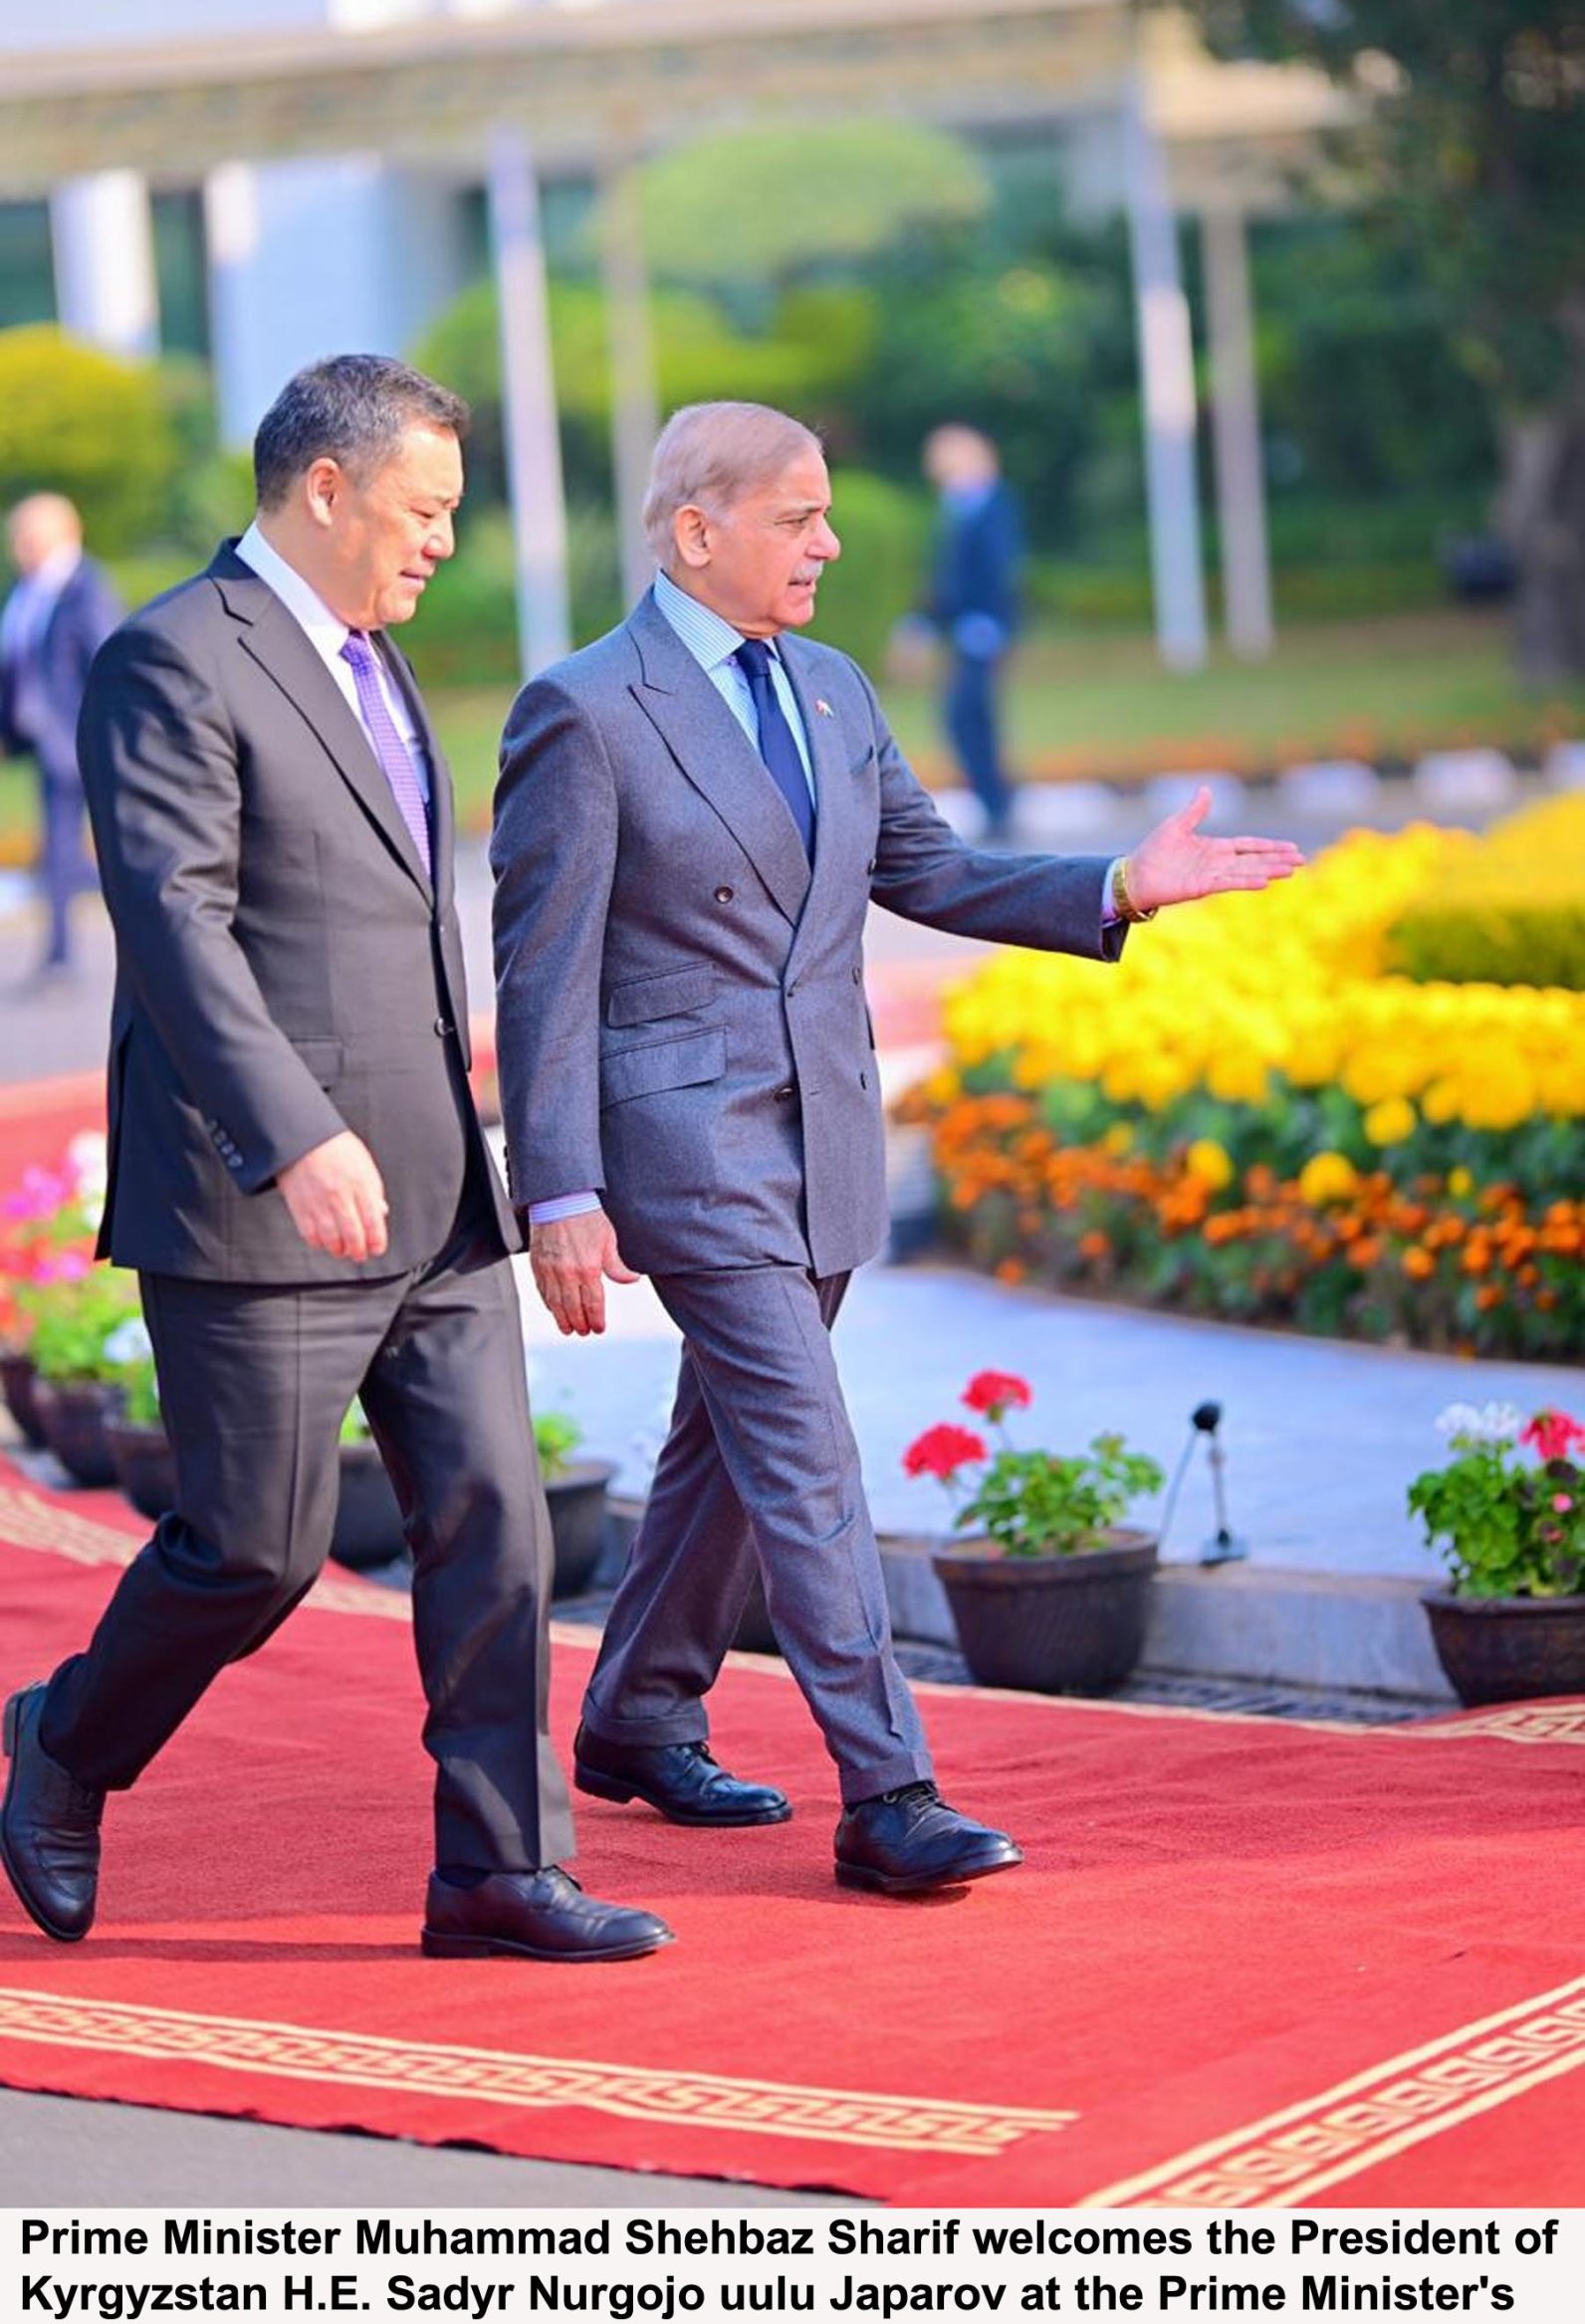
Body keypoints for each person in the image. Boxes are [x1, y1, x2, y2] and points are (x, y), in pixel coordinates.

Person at [490, 399, 1301, 1897]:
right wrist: (559, 1188)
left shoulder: (834, 685)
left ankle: (636, 1710)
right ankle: (889, 1790)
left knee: (728, 1448)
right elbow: (543, 973)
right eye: (796, 518)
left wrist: (1122, 885)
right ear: (696, 531)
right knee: (804, 1452)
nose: (828, 544)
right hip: (687, 1146)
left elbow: (926, 871)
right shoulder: (584, 709)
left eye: (825, 516)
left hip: (826, 1135)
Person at [0, 355, 668, 1967]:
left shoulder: (377, 660)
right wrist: (294, 1131)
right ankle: (63, 1743)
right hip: (257, 1201)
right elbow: (175, 929)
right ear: (325, 488)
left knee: (498, 1524)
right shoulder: (173, 659)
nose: (444, 539)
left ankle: (499, 1871)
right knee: (255, 1550)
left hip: (434, 1198)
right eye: (424, 509)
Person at [0, 492, 120, 985]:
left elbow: (107, 662)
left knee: (98, 847)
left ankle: (72, 954)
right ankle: (59, 954)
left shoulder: (85, 588)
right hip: (45, 744)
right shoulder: (28, 592)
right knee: (60, 847)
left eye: (25, 538)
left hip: (81, 740)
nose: (17, 548)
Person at [921, 424, 1022, 839]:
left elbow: (999, 569)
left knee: (970, 716)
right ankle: (995, 801)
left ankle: (998, 803)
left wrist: (988, 621)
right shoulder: (958, 504)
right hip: (965, 628)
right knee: (966, 717)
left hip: (983, 629)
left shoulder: (990, 503)